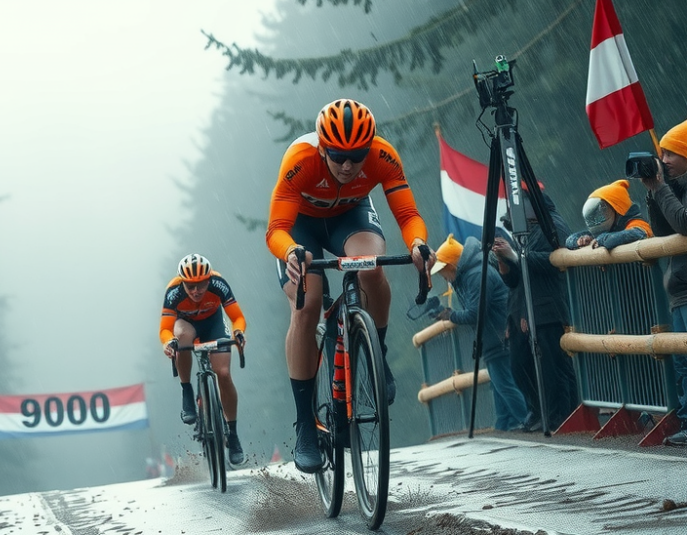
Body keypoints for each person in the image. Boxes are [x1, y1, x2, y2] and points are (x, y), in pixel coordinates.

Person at [266, 99, 433, 473]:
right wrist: (291, 251)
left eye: (356, 157)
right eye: (338, 156)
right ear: (323, 148)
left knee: (372, 268)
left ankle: (376, 353)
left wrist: (418, 244)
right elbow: (276, 229)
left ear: (368, 148)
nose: (347, 166)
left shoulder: (383, 156)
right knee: (307, 305)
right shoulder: (300, 159)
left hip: (350, 217)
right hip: (301, 227)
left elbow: (408, 214)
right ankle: (305, 424)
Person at [491, 183, 579, 433]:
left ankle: (561, 416)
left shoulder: (553, 225)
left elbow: (553, 262)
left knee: (554, 368)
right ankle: (542, 412)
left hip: (549, 305)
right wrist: (504, 261)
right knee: (524, 367)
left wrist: (514, 255)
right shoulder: (528, 231)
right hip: (530, 308)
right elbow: (516, 279)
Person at [431, 234, 529, 431]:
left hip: (498, 337)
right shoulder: (470, 274)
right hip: (494, 337)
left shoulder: (475, 275)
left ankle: (526, 421)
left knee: (505, 385)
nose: (443, 275)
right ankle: (506, 424)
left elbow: (475, 313)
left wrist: (451, 315)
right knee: (499, 385)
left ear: (453, 265)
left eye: (443, 270)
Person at [159, 254, 248, 466]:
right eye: (190, 286)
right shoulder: (174, 291)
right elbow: (165, 329)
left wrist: (238, 332)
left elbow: (237, 317)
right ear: (182, 282)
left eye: (201, 285)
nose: (196, 291)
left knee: (223, 374)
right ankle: (187, 390)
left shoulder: (218, 284)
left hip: (213, 324)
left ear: (209, 279)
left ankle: (232, 434)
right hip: (186, 325)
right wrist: (168, 342)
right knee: (182, 337)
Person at [641, 119, 687, 447]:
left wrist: (661, 189)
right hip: (679, 292)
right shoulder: (676, 187)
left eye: (670, 153)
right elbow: (662, 231)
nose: (664, 160)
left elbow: (684, 223)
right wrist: (652, 192)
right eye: (662, 154)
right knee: (683, 365)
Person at [566, 179, 652, 250]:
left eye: (603, 210)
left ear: (616, 208)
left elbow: (632, 235)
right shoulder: (610, 229)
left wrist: (601, 240)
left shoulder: (638, 224)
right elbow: (569, 240)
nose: (596, 221)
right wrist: (579, 241)